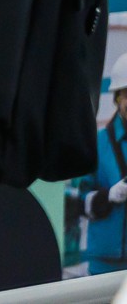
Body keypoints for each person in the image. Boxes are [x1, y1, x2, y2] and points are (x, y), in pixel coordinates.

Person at [72, 55, 127, 274]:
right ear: (117, 98)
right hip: (105, 263)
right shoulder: (97, 144)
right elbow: (77, 202)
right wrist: (108, 196)